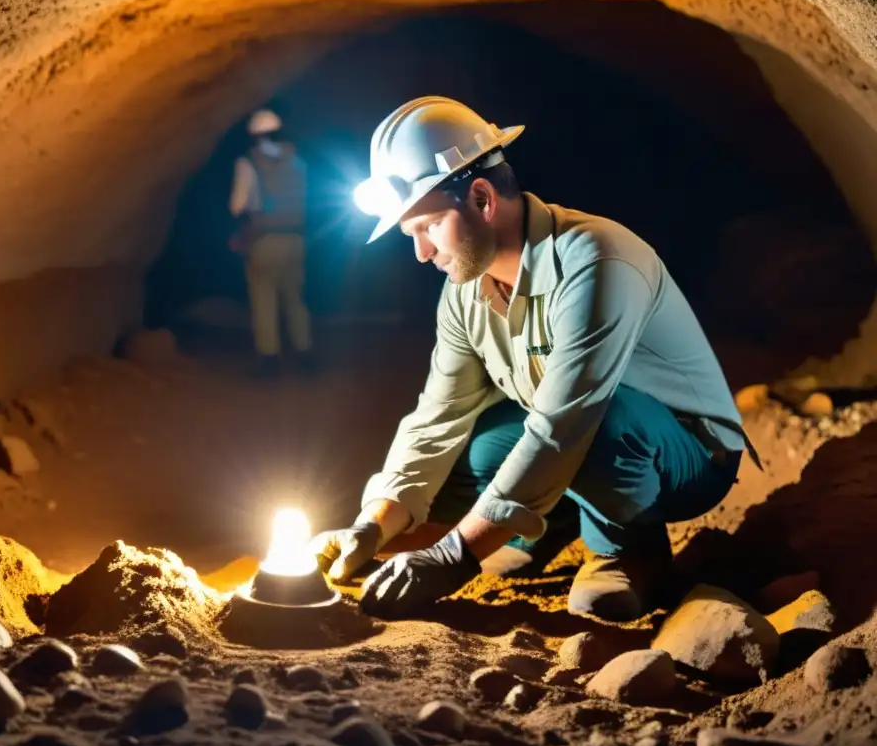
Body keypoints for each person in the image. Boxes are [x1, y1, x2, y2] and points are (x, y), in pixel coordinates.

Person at [312, 96, 760, 622]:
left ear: (481, 199)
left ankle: (627, 550)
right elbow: (437, 418)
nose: (422, 254)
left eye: (428, 227)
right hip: (581, 432)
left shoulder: (597, 260)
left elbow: (564, 426)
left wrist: (454, 557)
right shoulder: (465, 291)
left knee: (600, 425)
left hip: (688, 453)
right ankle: (551, 523)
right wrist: (375, 523)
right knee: (475, 449)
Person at [228, 108, 314, 377]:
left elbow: (236, 205)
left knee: (263, 298)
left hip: (264, 240)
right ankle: (305, 354)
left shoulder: (248, 163)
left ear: (253, 135)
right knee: (295, 298)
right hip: (296, 239)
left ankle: (269, 359)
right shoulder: (298, 160)